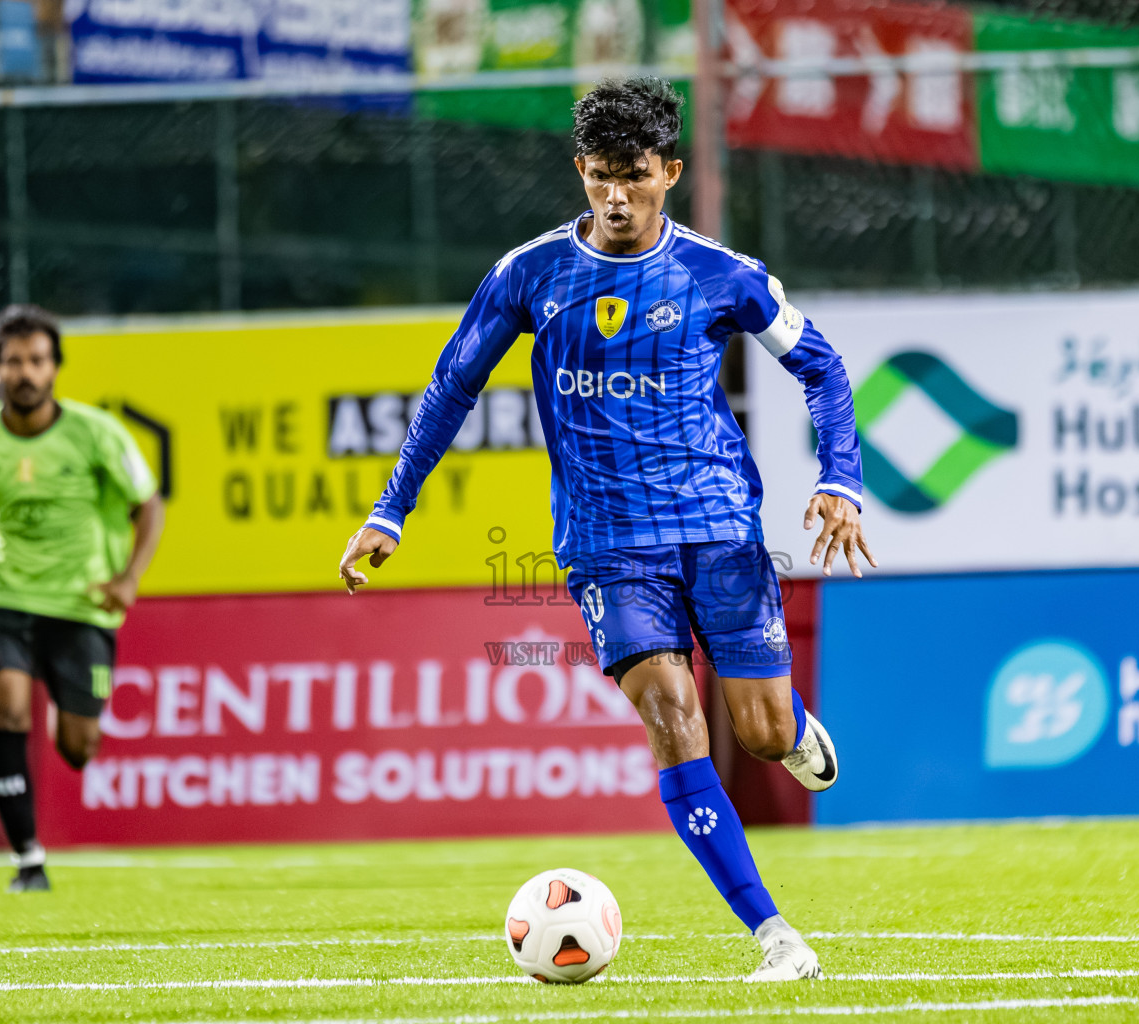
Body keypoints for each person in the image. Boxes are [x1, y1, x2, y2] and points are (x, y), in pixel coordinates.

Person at [336, 78, 873, 980]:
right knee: (671, 715)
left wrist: (841, 481)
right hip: (607, 546)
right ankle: (775, 936)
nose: (615, 198)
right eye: (598, 178)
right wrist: (392, 506)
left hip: (719, 531)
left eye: (634, 176)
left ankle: (793, 733)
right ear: (579, 171)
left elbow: (821, 366)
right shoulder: (529, 273)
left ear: (669, 171)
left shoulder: (719, 273)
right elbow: (450, 388)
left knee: (763, 732)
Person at [0, 305, 165, 893]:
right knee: (7, 712)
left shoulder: (96, 433)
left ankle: (67, 715)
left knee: (79, 747)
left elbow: (149, 503)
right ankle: (29, 860)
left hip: (82, 602)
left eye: (37, 361)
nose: (26, 372)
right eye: (14, 362)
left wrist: (128, 577)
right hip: (5, 592)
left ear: (54, 370)